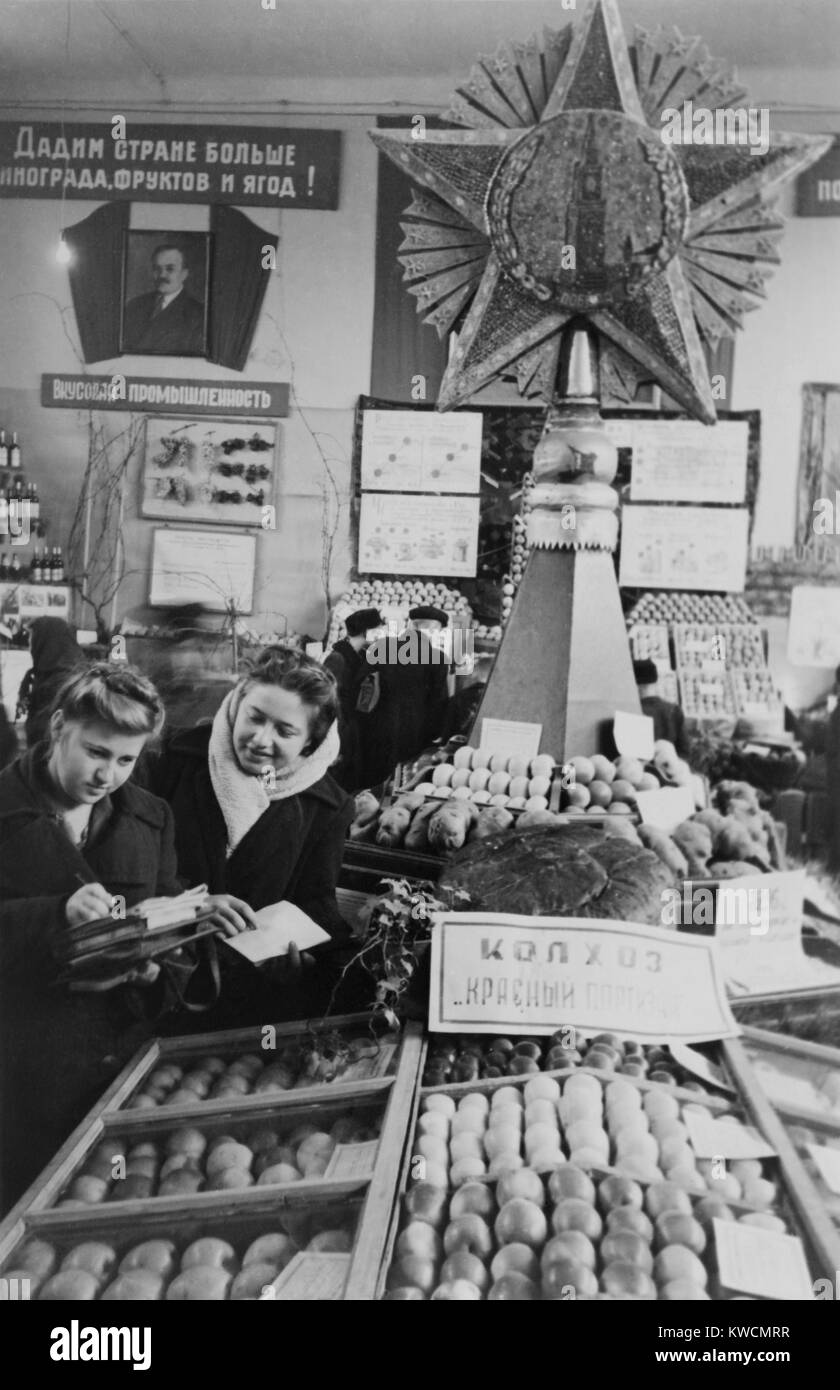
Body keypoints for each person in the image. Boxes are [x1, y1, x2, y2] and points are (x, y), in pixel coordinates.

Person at [0, 662, 253, 1212]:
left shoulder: (151, 817)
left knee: (97, 1212)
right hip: (15, 1075)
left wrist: (158, 963)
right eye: (95, 752)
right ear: (58, 725)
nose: (107, 774)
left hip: (115, 1063)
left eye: (125, 760)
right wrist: (55, 915)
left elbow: (167, 914)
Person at [142, 646, 358, 1026]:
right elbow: (132, 868)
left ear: (310, 743)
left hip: (246, 1004)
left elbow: (315, 899)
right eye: (254, 718)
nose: (260, 739)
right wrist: (188, 905)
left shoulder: (327, 808)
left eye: (284, 731)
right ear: (235, 706)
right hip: (156, 981)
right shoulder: (171, 760)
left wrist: (301, 958)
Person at [361, 605, 451, 788]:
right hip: (413, 735)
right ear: (434, 630)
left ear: (412, 626)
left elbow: (363, 687)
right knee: (400, 784)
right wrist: (435, 736)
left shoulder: (381, 647)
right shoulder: (437, 659)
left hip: (375, 729)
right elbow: (438, 704)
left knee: (372, 782)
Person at [323, 608, 383, 791]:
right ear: (367, 631)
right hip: (338, 730)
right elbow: (327, 700)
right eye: (378, 629)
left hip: (351, 729)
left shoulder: (362, 656)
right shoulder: (337, 659)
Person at [123, 243, 205, 355]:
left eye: (170, 269)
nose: (162, 275)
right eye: (157, 269)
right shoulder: (134, 305)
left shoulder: (198, 314)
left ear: (184, 274)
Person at [18, 616, 84, 749]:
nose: (30, 642)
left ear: (45, 639)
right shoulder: (49, 670)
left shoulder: (62, 681)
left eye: (32, 636)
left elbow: (45, 735)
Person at [633, 658, 690, 758]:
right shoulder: (674, 710)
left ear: (634, 684)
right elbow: (685, 750)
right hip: (670, 769)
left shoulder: (633, 711)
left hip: (642, 771)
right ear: (656, 682)